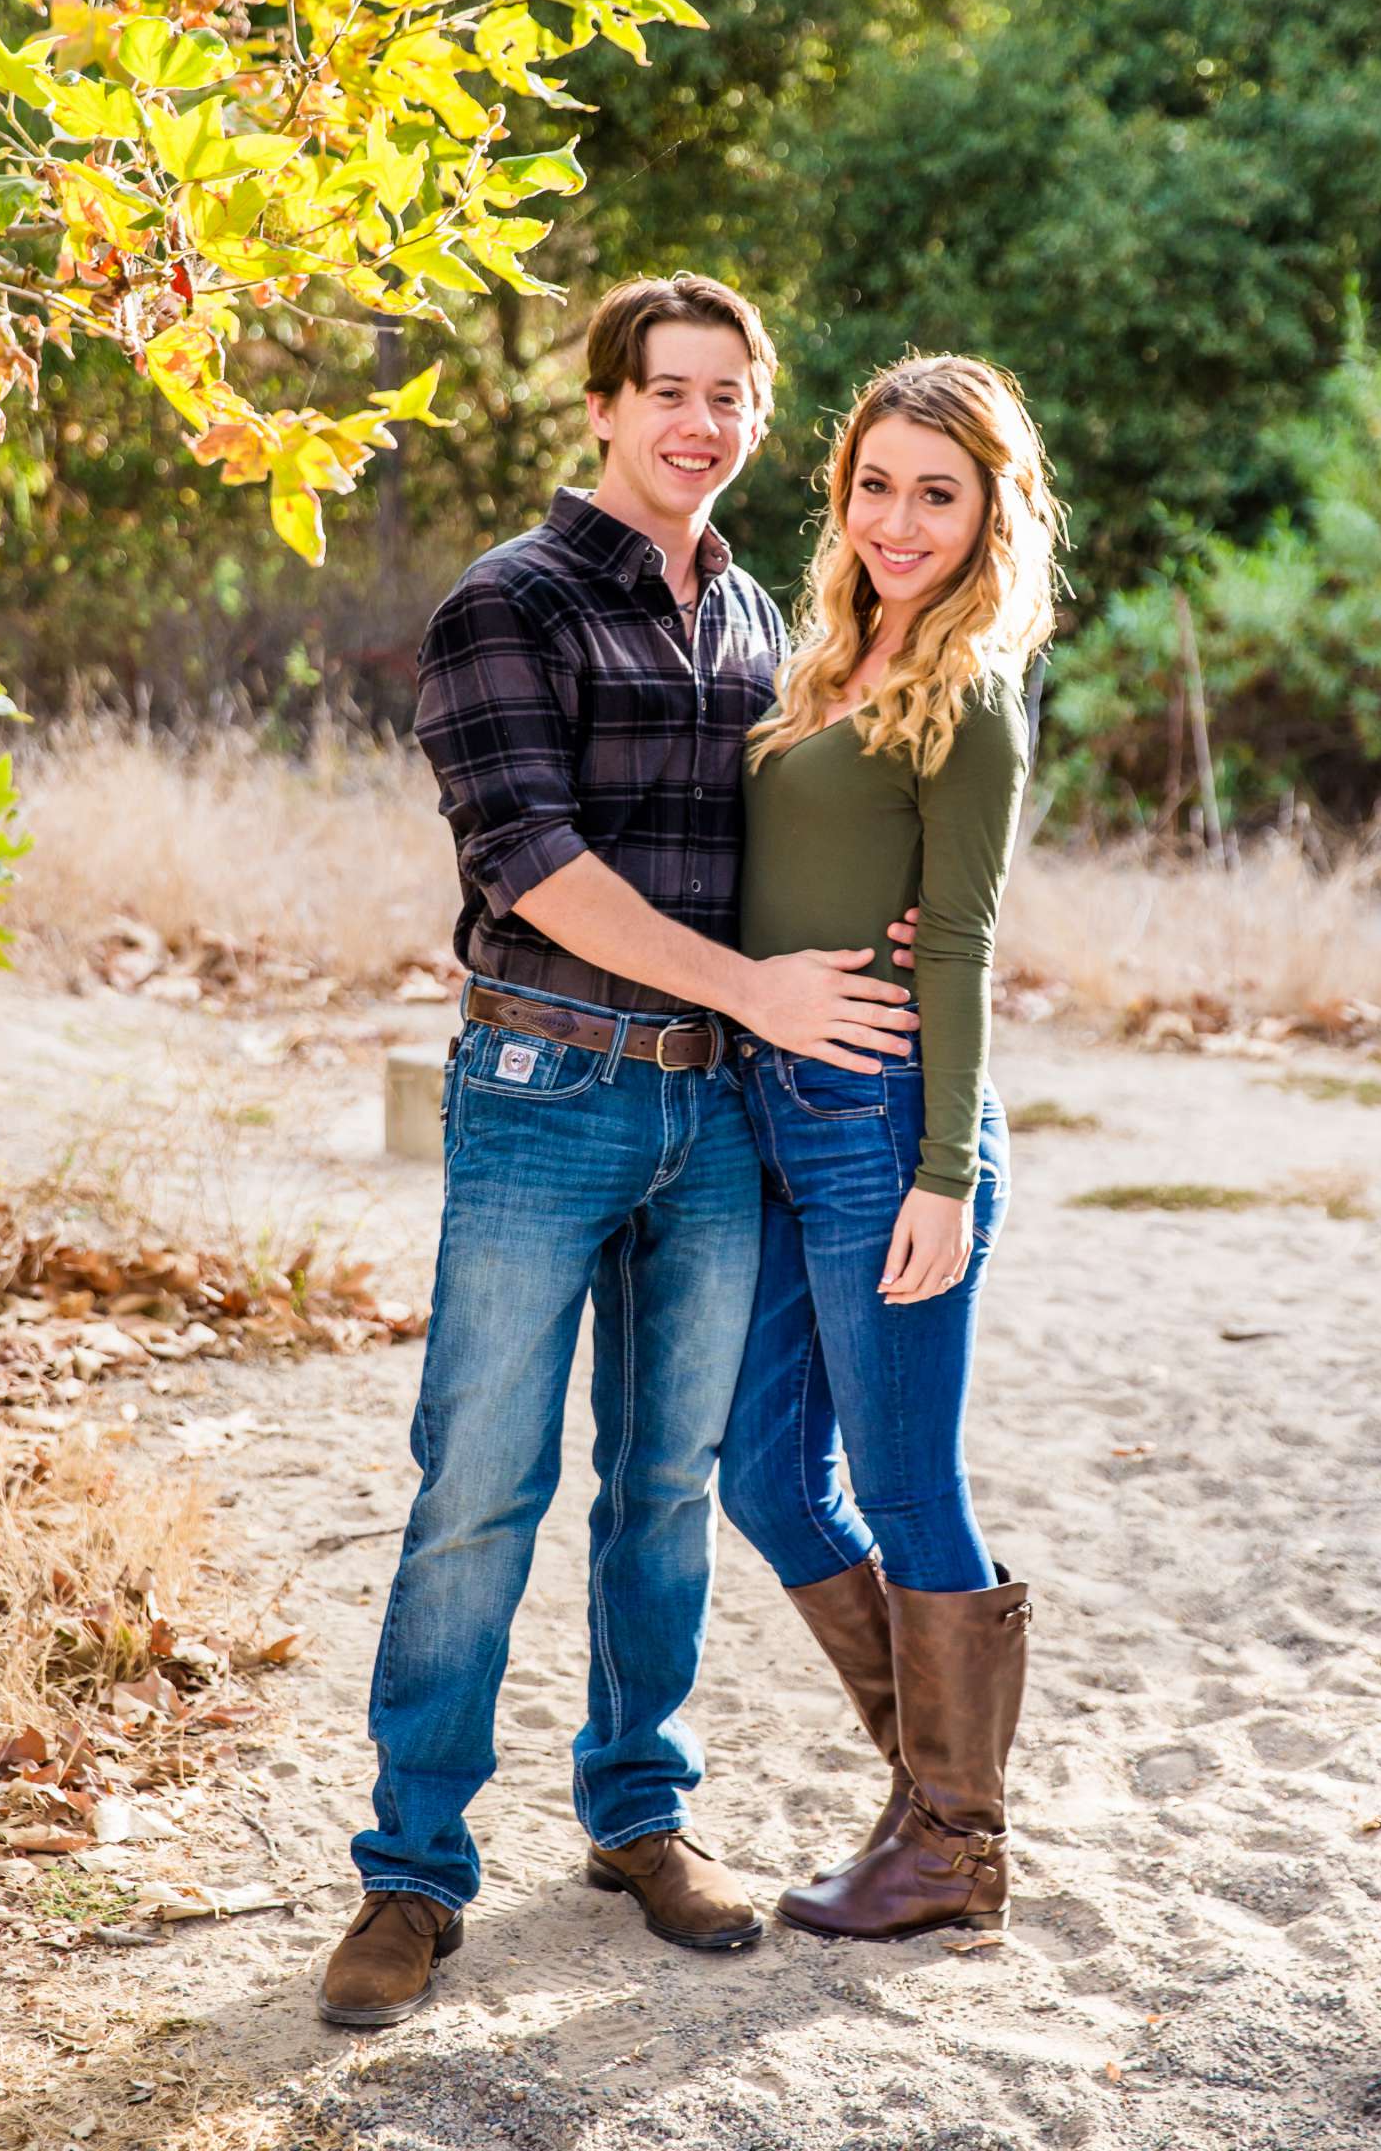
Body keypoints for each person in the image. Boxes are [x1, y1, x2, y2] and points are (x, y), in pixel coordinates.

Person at [319, 275, 923, 2028]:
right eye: (670, 390)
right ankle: (412, 1874)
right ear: (601, 407)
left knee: (664, 1488)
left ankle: (639, 1816)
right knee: (480, 1486)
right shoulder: (502, 603)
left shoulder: (761, 615)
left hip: (721, 1112)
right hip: (540, 1090)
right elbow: (534, 859)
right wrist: (754, 984)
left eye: (733, 395)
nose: (702, 424)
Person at [718, 353, 1063, 1941]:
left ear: (991, 507)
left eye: (939, 491)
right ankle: (935, 1808)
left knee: (904, 1483)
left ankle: (953, 1849)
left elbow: (961, 948)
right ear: (841, 492)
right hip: (778, 1111)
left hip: (885, 1124)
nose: (901, 519)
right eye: (876, 485)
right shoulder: (829, 658)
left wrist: (946, 1175)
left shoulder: (969, 683)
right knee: (766, 1476)